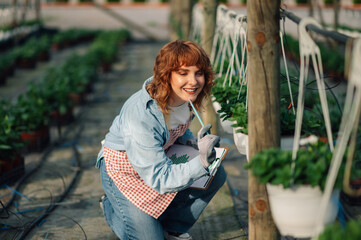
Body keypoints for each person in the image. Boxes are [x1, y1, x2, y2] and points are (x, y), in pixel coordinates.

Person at [95, 40, 227, 240]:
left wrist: (193, 143)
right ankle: (111, 207)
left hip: (155, 159)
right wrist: (200, 161)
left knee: (214, 174)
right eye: (183, 73)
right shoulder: (140, 116)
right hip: (125, 172)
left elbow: (176, 129)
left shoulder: (183, 97)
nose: (193, 81)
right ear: (167, 75)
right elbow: (159, 178)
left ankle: (172, 227)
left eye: (198, 73)